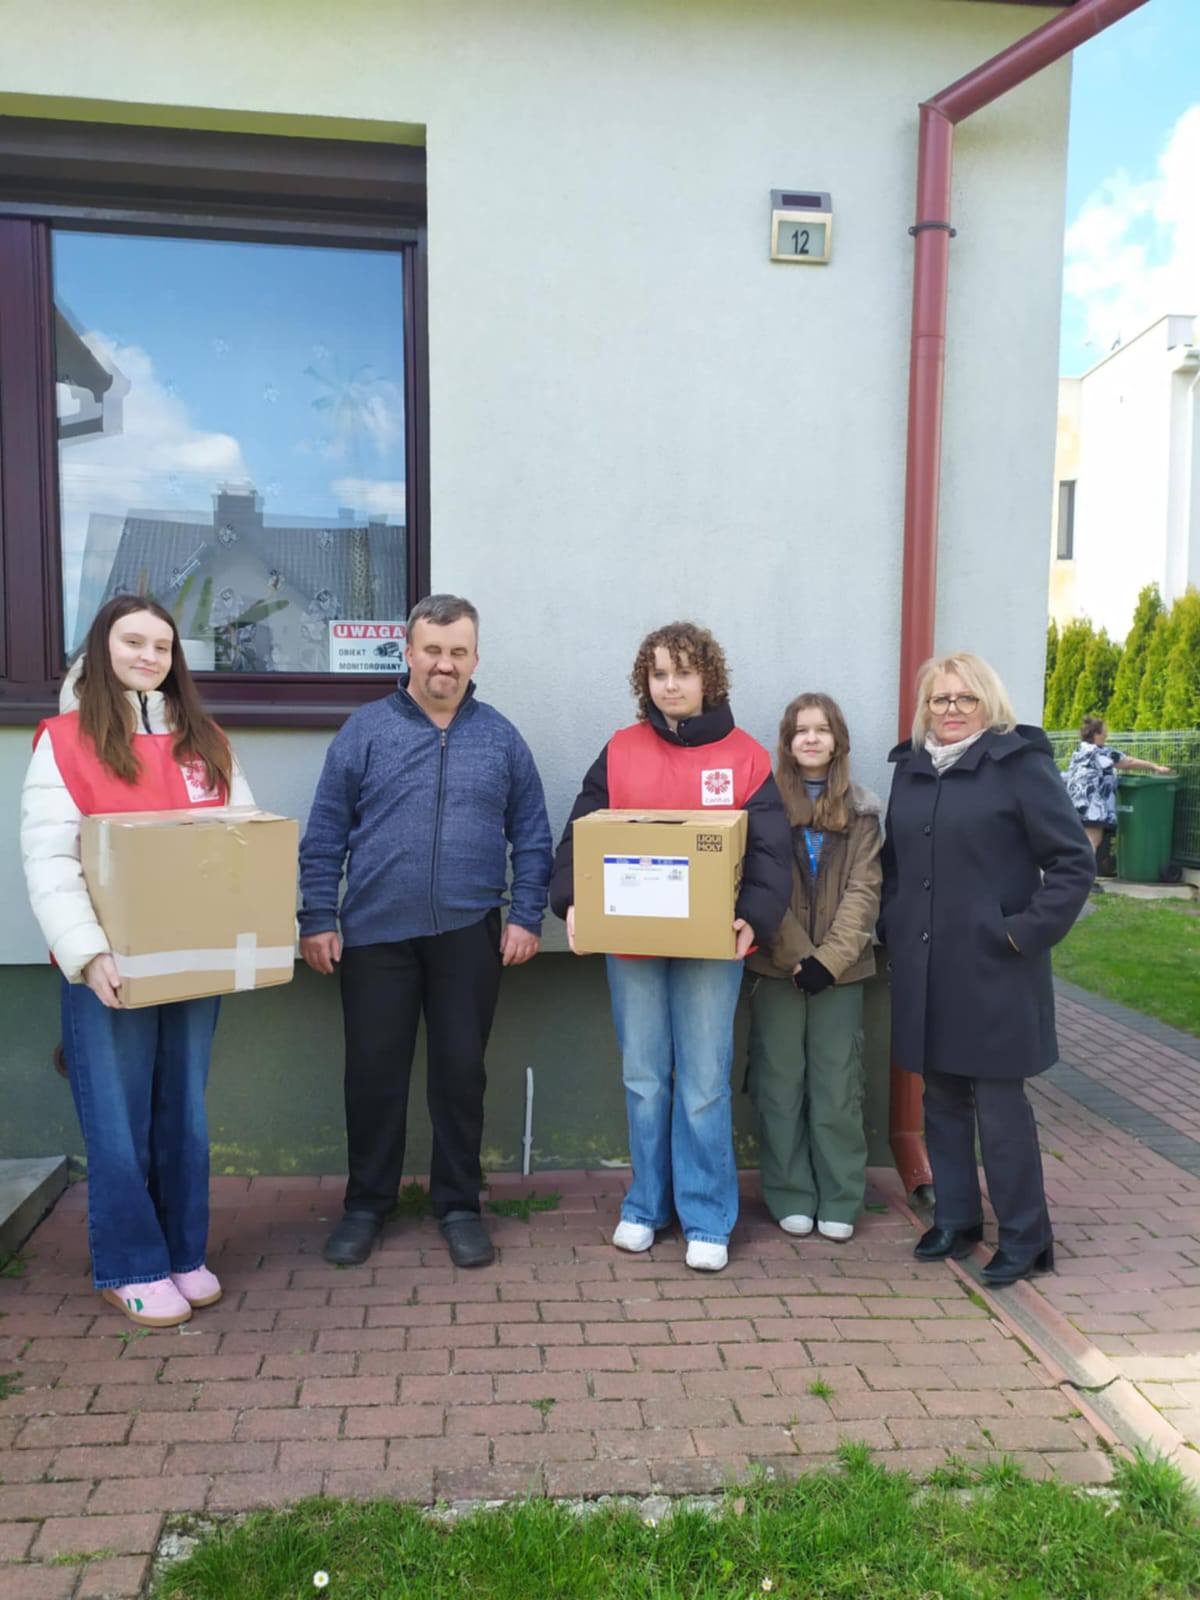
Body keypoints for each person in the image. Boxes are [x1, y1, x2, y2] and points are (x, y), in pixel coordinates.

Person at [20, 595, 255, 1328]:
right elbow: (50, 860)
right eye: (132, 641)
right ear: (103, 647)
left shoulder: (207, 741)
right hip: (110, 967)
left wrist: (243, 939)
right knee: (119, 1121)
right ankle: (130, 1265)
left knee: (185, 1113)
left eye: (161, 645)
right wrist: (87, 955)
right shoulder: (65, 741)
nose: (148, 656)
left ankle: (182, 1252)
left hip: (193, 960)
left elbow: (242, 842)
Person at [300, 594, 552, 1270]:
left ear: (475, 658)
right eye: (433, 650)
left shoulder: (500, 738)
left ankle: (459, 1206)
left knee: (460, 1076)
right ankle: (366, 1205)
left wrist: (526, 915)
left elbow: (532, 834)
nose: (445, 664)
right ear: (408, 653)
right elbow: (325, 832)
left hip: (469, 933)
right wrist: (317, 916)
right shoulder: (365, 731)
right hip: (375, 935)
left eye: (458, 652)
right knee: (373, 1076)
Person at [549, 621, 791, 1272]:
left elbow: (771, 851)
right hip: (631, 944)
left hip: (712, 947)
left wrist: (755, 917)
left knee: (705, 1083)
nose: (671, 685)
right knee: (644, 1078)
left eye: (683, 672)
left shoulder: (744, 757)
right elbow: (580, 833)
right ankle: (647, 1206)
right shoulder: (620, 750)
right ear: (645, 682)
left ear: (708, 678)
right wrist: (572, 901)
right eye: (658, 674)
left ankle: (707, 1216)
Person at [880, 652, 1094, 1286]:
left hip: (997, 966)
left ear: (988, 702)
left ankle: (1027, 1237)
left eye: (965, 698)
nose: (951, 710)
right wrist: (893, 924)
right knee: (942, 1098)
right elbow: (896, 864)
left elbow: (1073, 864)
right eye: (940, 699)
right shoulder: (912, 769)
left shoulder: (1019, 764)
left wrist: (1021, 933)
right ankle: (957, 1218)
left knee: (1000, 1110)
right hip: (928, 965)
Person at [745, 693, 882, 1243]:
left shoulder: (864, 812)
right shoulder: (765, 808)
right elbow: (759, 884)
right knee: (779, 1084)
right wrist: (796, 954)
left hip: (841, 973)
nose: (810, 738)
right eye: (800, 730)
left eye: (821, 729)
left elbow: (864, 892)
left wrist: (827, 961)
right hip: (777, 968)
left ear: (837, 740)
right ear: (786, 742)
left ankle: (841, 1195)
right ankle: (790, 1193)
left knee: (837, 1085)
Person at [1064, 715, 1172, 856]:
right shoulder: (1101, 751)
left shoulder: (1079, 751)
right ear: (1096, 734)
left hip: (1076, 802)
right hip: (1092, 805)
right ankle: (1083, 869)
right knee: (1092, 840)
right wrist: (1155, 767)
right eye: (1104, 731)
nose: (1106, 734)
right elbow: (1128, 762)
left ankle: (1077, 867)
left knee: (1082, 840)